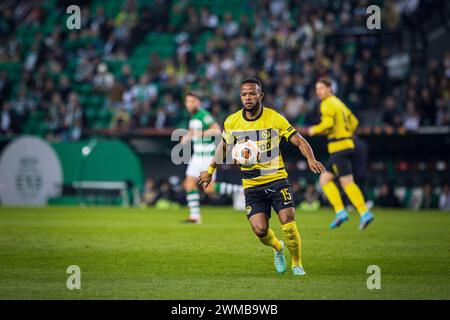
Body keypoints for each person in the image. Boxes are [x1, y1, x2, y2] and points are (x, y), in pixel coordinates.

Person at [198, 78, 325, 276]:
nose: (248, 98)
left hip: (276, 179)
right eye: (244, 94)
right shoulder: (232, 121)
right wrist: (210, 170)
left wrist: (310, 159)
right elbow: (223, 147)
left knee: (288, 220)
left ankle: (297, 264)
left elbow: (299, 140)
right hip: (252, 185)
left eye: (252, 93)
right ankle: (278, 248)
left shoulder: (274, 118)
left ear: (261, 95)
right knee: (260, 231)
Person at [307, 77, 374, 230]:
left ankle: (364, 212)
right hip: (347, 145)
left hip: (338, 147)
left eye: (321, 88)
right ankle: (340, 212)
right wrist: (346, 133)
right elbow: (354, 122)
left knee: (346, 182)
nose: (318, 92)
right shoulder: (339, 103)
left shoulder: (327, 103)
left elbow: (328, 124)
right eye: (317, 89)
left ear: (330, 89)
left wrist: (314, 130)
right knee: (324, 179)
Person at [181, 92, 242, 224]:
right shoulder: (194, 117)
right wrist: (188, 137)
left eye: (192, 101)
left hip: (206, 156)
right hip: (196, 155)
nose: (189, 104)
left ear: (198, 102)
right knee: (189, 184)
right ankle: (195, 216)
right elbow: (194, 133)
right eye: (187, 101)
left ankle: (242, 190)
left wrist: (198, 133)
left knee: (209, 188)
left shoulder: (204, 115)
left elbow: (216, 130)